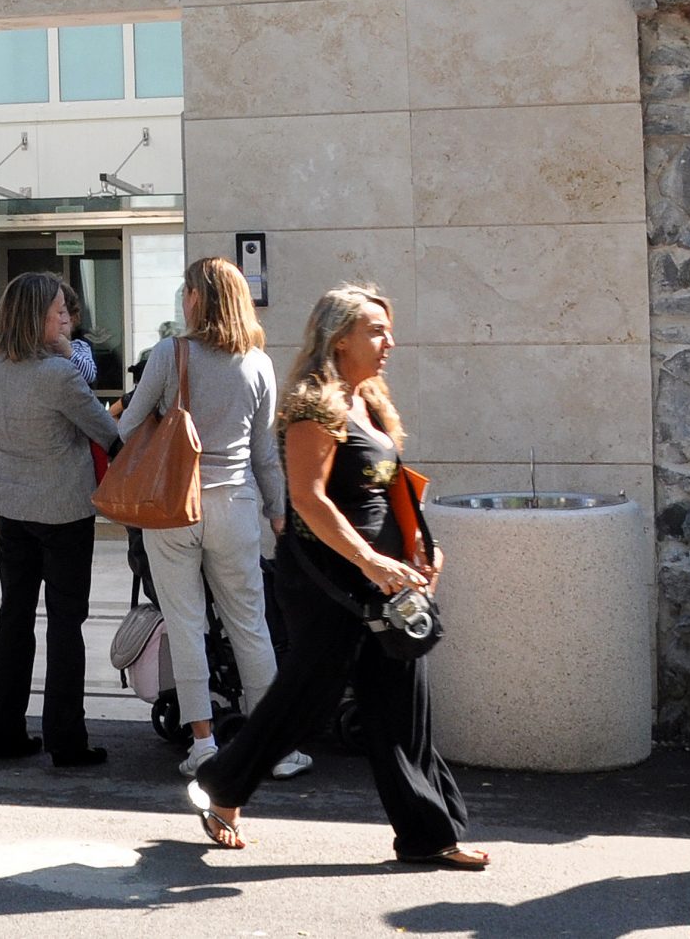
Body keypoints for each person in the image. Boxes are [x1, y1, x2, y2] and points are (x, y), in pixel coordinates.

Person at [188, 284, 487, 870]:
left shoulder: (368, 398)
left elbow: (391, 481)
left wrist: (421, 546)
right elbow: (310, 499)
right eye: (376, 330)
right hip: (330, 578)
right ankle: (222, 785)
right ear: (339, 337)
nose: (388, 342)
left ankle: (429, 834)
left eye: (388, 329)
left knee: (400, 698)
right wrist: (372, 562)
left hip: (383, 579)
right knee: (309, 696)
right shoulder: (312, 405)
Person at [119, 257, 309, 780]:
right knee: (250, 624)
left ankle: (202, 743)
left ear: (196, 299)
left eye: (186, 292)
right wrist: (277, 512)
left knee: (185, 625)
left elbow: (128, 426)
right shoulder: (258, 362)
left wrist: (156, 410)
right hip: (236, 505)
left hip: (173, 506)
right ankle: (273, 748)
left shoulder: (169, 353)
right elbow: (266, 453)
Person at [0, 270, 122, 767]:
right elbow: (105, 431)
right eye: (58, 311)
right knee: (65, 623)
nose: (66, 319)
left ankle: (5, 731)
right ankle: (66, 739)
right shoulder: (60, 375)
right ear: (36, 316)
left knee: (14, 616)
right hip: (63, 512)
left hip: (13, 510)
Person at [0, 280, 102, 520]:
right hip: (44, 498)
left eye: (66, 312)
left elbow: (89, 377)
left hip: (63, 439)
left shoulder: (75, 350)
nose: (63, 320)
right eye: (58, 312)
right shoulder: (0, 358)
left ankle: (109, 493)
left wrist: (67, 352)